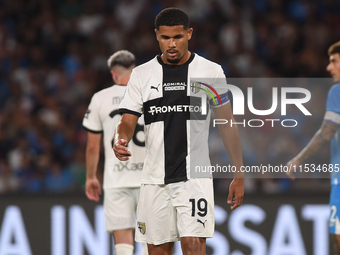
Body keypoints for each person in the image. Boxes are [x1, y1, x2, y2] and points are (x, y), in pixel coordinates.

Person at [113, 8, 244, 255]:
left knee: (194, 246)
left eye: (178, 37)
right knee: (158, 251)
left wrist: (239, 173)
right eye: (165, 38)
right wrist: (121, 139)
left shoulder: (210, 72)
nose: (171, 44)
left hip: (194, 179)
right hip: (154, 179)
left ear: (189, 34)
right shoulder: (141, 75)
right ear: (157, 36)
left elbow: (227, 123)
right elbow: (128, 119)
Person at [83, 50, 147, 255]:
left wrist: (91, 177)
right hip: (150, 178)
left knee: (123, 239)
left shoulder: (100, 98)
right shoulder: (150, 94)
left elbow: (93, 145)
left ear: (113, 74)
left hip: (116, 177)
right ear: (135, 70)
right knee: (153, 238)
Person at [286, 41, 340, 254]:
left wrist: (298, 159)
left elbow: (327, 132)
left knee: (338, 237)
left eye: (334, 61)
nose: (328, 67)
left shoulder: (337, 92)